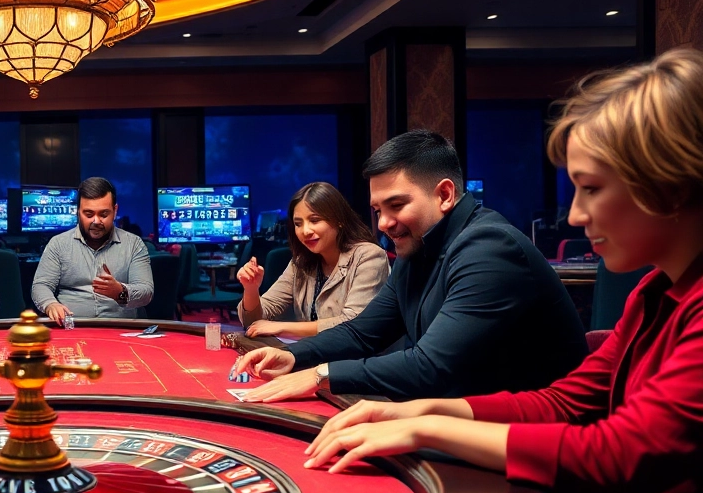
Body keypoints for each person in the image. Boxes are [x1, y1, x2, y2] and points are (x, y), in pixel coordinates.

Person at [303, 48, 703, 493]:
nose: (573, 214)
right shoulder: (659, 291)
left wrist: (426, 427)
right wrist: (426, 409)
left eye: (592, 188)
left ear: (673, 181)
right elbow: (568, 400)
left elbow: (621, 456)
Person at [232, 130, 586, 402]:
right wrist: (293, 357)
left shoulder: (490, 247)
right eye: (377, 210)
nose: (384, 223)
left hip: (528, 443)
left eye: (396, 205)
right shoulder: (417, 250)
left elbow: (431, 366)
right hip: (459, 415)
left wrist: (320, 374)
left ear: (445, 195)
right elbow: (363, 333)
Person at [235, 181, 389, 340]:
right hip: (313, 355)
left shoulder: (369, 256)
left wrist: (281, 327)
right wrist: (251, 289)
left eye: (314, 220)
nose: (305, 231)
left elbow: (353, 323)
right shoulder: (300, 263)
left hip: (355, 361)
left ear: (339, 220)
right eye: (298, 224)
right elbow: (252, 322)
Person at [31, 176, 154, 326]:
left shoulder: (134, 244)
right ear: (78, 212)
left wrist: (120, 291)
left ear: (115, 211)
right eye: (89, 214)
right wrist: (50, 304)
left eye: (103, 214)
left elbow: (146, 291)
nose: (96, 221)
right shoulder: (58, 244)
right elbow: (40, 285)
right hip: (71, 328)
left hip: (120, 329)